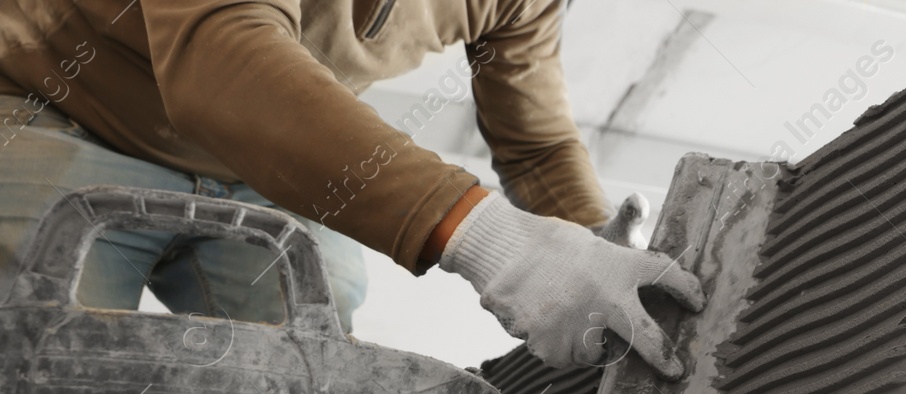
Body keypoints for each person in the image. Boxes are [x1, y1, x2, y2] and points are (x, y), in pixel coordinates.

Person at [0, 0, 703, 374]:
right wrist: (501, 247)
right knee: (45, 362)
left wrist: (591, 240)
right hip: (61, 104)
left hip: (267, 162)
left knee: (303, 389)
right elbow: (221, 53)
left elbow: (539, 144)